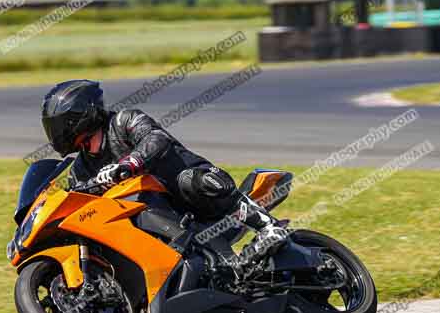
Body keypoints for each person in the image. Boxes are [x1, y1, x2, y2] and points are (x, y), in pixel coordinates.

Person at [40, 79, 288, 259]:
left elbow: (156, 138)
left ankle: (268, 226)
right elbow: (77, 197)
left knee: (191, 180)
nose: (55, 131)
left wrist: (129, 163)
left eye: (58, 123)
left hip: (185, 191)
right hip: (150, 216)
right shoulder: (82, 167)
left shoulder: (124, 121)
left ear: (80, 114)